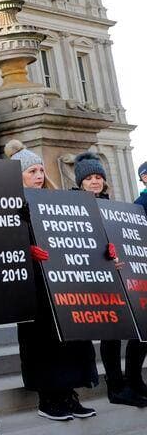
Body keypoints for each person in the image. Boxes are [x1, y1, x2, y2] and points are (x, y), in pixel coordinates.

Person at [11, 144, 100, 421]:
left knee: (71, 338)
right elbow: (1, 241)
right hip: (34, 286)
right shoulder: (11, 205)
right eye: (31, 171)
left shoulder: (57, 201)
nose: (39, 175)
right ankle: (48, 397)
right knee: (43, 341)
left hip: (62, 280)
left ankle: (69, 393)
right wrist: (26, 249)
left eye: (40, 170)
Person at [71, 153, 147, 407]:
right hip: (95, 277)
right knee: (111, 334)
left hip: (122, 274)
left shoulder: (111, 205)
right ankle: (115, 386)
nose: (95, 181)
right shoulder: (72, 205)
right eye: (90, 178)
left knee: (137, 330)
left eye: (99, 177)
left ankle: (134, 380)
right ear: (80, 182)